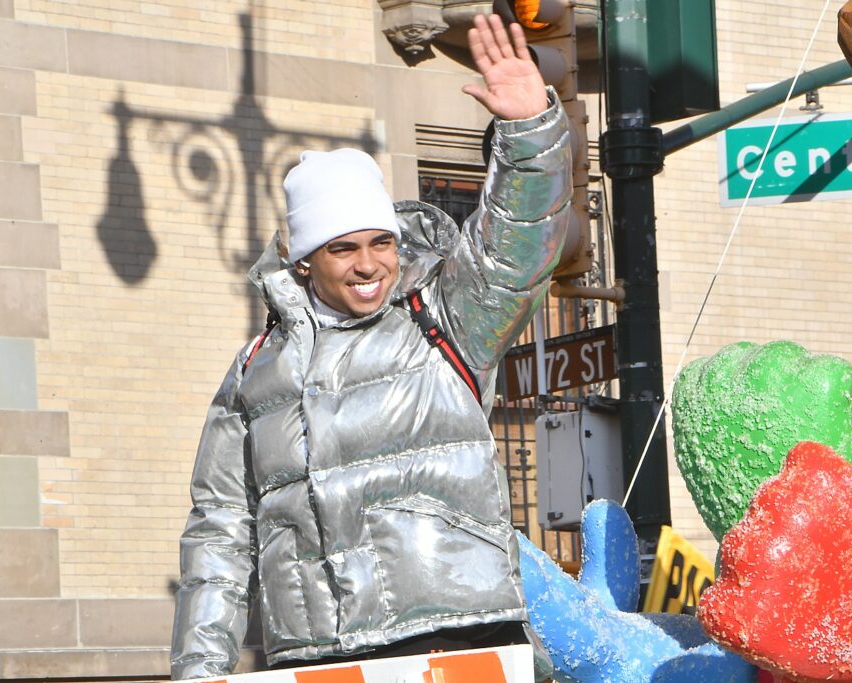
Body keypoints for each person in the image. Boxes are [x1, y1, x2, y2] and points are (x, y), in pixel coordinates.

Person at [170, 13, 572, 679]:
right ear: (303, 261)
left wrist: (530, 134)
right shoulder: (252, 373)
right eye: (342, 247)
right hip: (318, 654)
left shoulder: (445, 317)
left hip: (458, 637)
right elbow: (219, 533)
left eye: (380, 241)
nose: (368, 264)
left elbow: (517, 246)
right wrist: (198, 669)